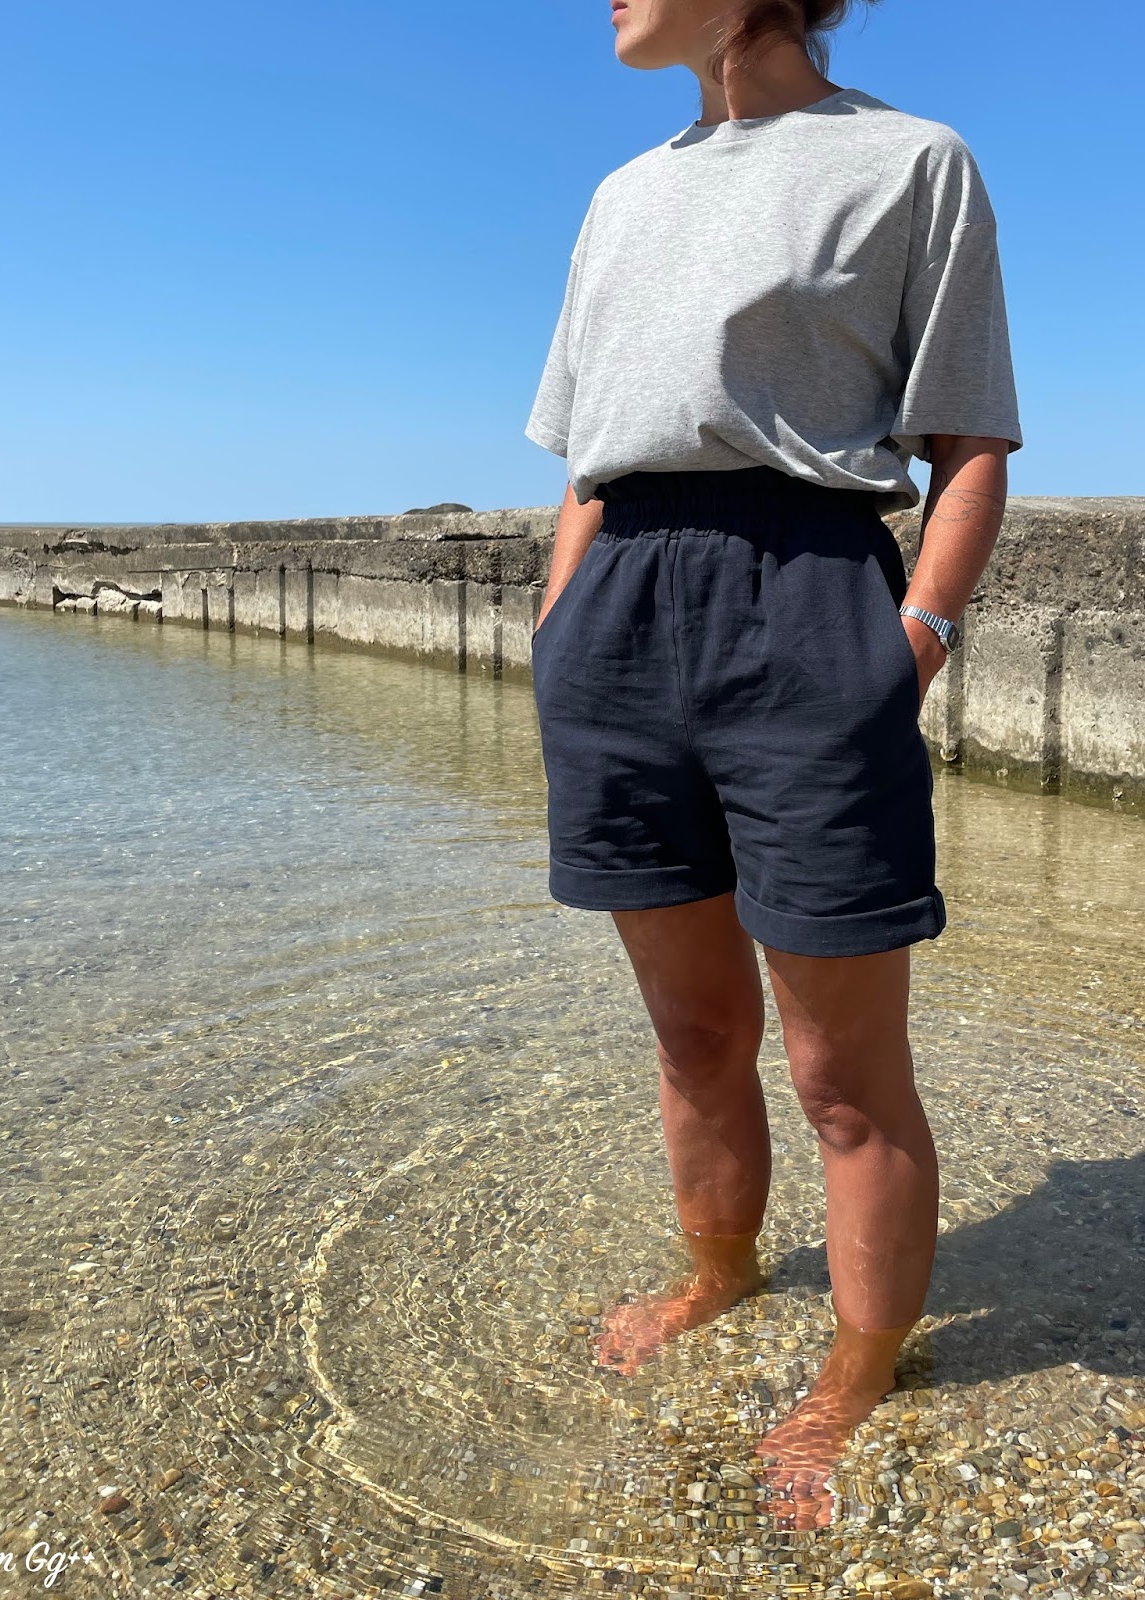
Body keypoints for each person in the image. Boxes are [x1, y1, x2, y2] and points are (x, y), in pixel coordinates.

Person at [523, 0, 1022, 1526]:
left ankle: (860, 1368)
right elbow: (590, 455)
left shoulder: (908, 160)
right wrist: (558, 628)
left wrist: (909, 642)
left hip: (810, 592)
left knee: (844, 1073)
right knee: (690, 1034)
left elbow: (971, 440)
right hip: (617, 607)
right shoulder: (624, 194)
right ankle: (719, 1273)